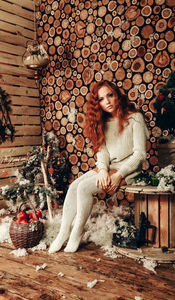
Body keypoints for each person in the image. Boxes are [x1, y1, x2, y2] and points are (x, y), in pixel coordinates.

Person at [49, 80, 149, 253]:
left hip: (129, 169)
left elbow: (140, 155)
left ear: (117, 95)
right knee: (74, 186)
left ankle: (76, 234)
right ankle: (63, 233)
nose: (107, 101)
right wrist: (103, 170)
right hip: (109, 167)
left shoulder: (135, 118)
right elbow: (102, 152)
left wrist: (119, 175)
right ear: (98, 104)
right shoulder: (102, 121)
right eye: (102, 99)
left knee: (84, 189)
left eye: (110, 95)